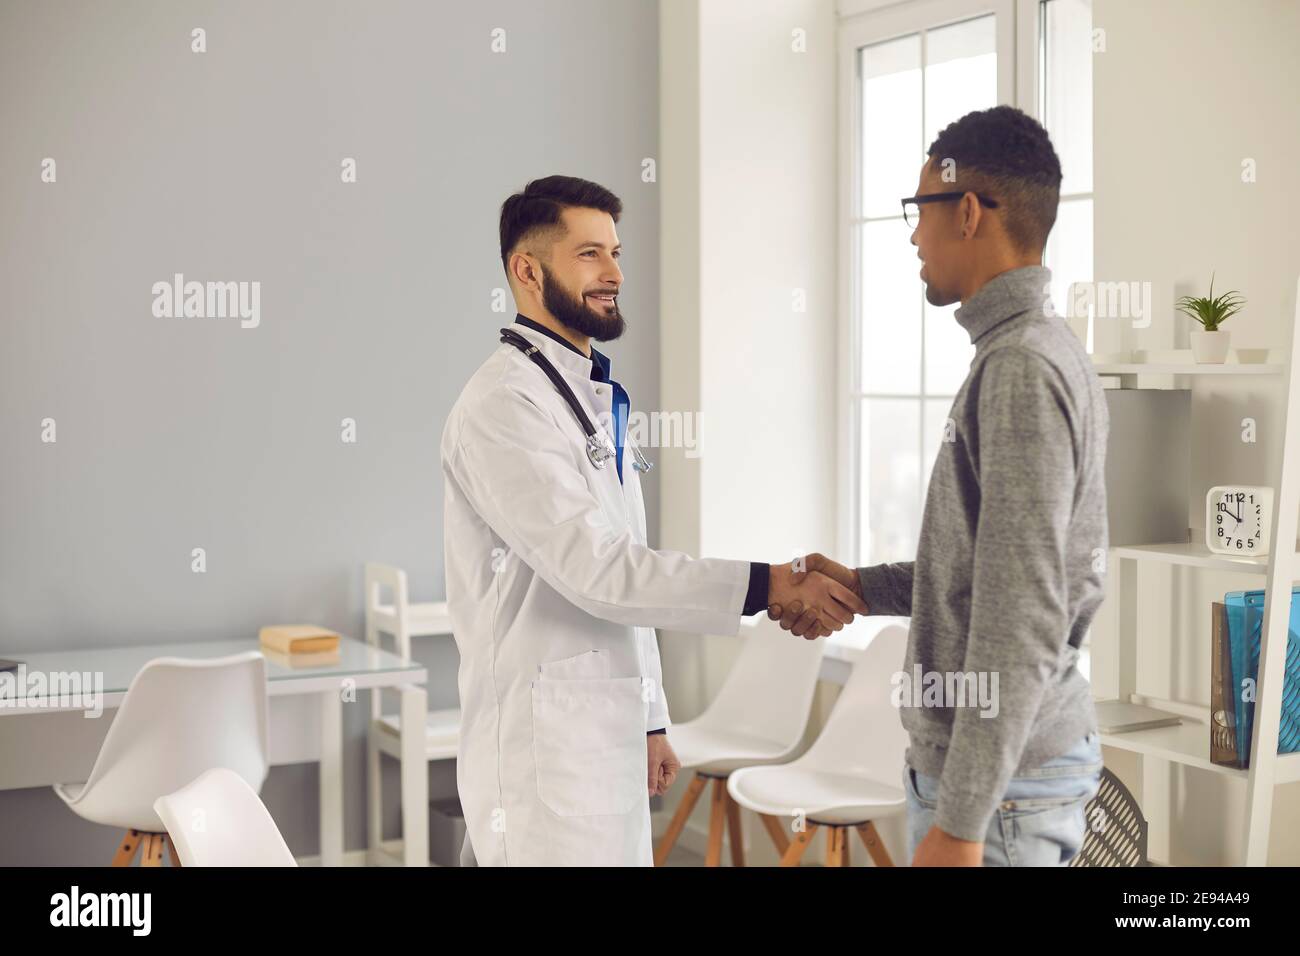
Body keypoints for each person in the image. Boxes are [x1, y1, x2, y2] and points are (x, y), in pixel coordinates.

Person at [441, 175, 867, 866]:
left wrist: (648, 716)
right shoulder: (503, 407)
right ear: (525, 269)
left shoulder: (588, 393)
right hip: (541, 752)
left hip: (601, 736)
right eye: (588, 254)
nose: (613, 273)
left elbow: (627, 570)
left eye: (615, 252)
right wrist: (771, 585)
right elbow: (600, 572)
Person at [769, 106, 1108, 867]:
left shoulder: (1020, 367)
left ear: (967, 211)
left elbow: (1021, 613)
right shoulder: (1025, 353)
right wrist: (860, 584)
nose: (914, 237)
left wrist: (962, 822)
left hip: (998, 794)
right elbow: (990, 574)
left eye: (918, 213)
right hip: (1000, 783)